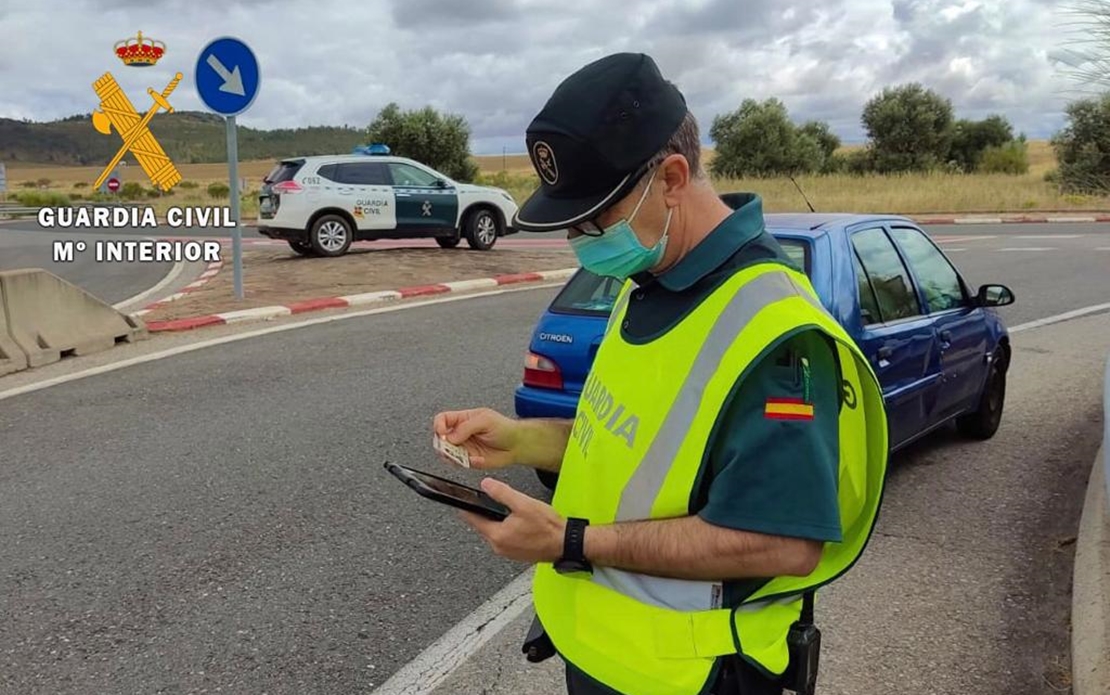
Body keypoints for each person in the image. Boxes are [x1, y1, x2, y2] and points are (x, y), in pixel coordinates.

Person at [432, 52, 889, 695]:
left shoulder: (777, 335)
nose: (582, 242)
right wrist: (520, 438)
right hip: (602, 655)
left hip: (691, 677)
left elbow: (782, 544)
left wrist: (570, 540)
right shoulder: (648, 278)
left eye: (595, 220)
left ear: (672, 176)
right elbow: (637, 444)